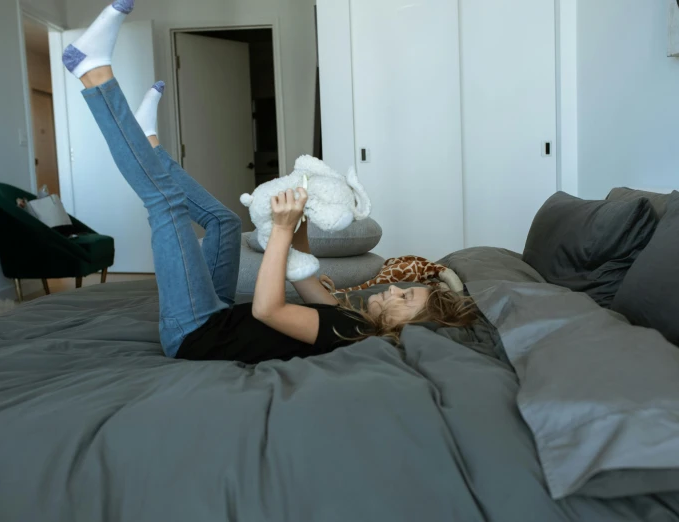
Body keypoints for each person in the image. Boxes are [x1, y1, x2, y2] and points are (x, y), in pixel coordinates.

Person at [63, 0, 477, 365]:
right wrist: (298, 231)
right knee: (224, 222)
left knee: (166, 205)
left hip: (193, 334)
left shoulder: (349, 335)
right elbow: (303, 276)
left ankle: (93, 75)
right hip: (218, 314)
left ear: (410, 331)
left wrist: (278, 232)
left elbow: (266, 310)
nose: (395, 290)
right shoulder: (353, 319)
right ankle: (150, 148)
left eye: (406, 301)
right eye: (406, 290)